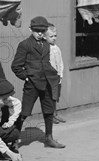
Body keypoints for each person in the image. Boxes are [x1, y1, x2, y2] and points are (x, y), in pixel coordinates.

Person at [11, 16, 65, 148]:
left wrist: (55, 76)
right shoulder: (25, 45)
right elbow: (16, 66)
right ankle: (14, 141)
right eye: (36, 30)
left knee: (49, 111)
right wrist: (26, 77)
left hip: (48, 82)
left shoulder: (47, 44)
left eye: (42, 30)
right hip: (32, 84)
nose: (40, 33)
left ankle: (49, 138)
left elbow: (46, 63)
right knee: (24, 112)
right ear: (30, 29)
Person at [45, 23, 65, 124]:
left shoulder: (56, 48)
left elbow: (60, 63)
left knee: (55, 97)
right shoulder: (44, 49)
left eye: (55, 36)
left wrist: (60, 75)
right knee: (48, 97)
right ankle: (50, 116)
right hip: (48, 77)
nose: (54, 38)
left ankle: (55, 114)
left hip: (56, 77)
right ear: (44, 36)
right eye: (51, 36)